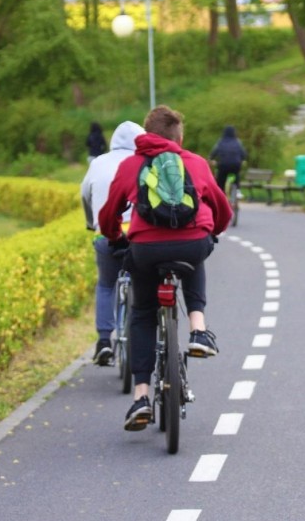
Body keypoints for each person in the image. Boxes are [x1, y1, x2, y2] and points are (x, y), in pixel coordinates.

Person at [99, 105, 232, 432]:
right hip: (191, 245)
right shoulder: (197, 163)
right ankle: (198, 330)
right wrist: (211, 232)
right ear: (180, 137)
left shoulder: (131, 165)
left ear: (145, 135)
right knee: (196, 255)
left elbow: (109, 214)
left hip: (145, 249)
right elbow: (222, 209)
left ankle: (141, 396)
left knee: (143, 313)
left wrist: (116, 238)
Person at [81, 121, 146, 366]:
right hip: (140, 237)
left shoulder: (98, 163)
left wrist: (92, 222)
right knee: (143, 284)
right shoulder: (144, 162)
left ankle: (104, 341)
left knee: (107, 285)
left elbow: (85, 194)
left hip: (106, 235)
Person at [209, 125, 248, 192]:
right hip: (235, 164)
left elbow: (214, 151)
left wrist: (211, 159)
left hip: (223, 164)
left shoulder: (221, 141)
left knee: (221, 179)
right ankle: (237, 190)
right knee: (236, 174)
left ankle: (220, 192)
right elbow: (243, 153)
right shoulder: (237, 142)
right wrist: (243, 159)